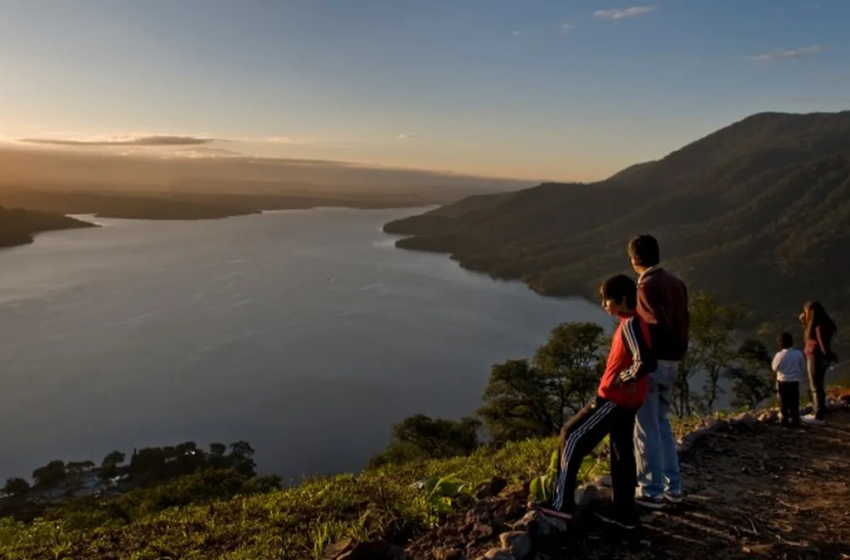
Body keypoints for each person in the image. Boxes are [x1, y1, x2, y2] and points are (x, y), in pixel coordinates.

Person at [536, 274, 655, 530]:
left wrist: (623, 378)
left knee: (570, 436)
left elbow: (645, 361)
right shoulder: (631, 322)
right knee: (621, 451)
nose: (604, 305)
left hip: (614, 399)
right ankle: (624, 512)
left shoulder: (632, 324)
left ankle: (561, 505)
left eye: (607, 300)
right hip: (627, 401)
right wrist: (628, 377)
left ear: (622, 300)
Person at [627, 234, 688, 509]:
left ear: (634, 259)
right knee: (661, 424)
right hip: (673, 362)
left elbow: (652, 325)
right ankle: (672, 487)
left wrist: (639, 363)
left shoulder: (646, 286)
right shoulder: (677, 283)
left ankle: (650, 491)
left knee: (645, 428)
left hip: (653, 364)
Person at [799, 301, 838, 425]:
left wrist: (828, 355)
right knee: (818, 385)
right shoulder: (822, 324)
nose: (804, 314)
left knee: (815, 386)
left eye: (806, 312)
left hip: (816, 357)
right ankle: (819, 410)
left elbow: (822, 345)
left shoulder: (819, 327)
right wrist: (803, 321)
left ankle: (818, 415)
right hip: (818, 358)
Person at [772, 332, 806, 426]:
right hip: (795, 381)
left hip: (783, 381)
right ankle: (795, 419)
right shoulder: (798, 353)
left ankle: (785, 419)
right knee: (794, 401)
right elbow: (803, 365)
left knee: (783, 401)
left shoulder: (779, 355)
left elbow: (774, 368)